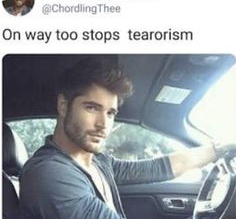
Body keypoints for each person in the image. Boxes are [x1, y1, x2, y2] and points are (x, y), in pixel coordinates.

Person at [19, 58, 235, 219]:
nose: (103, 124)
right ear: (64, 106)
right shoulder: (49, 174)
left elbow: (158, 168)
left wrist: (219, 150)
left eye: (110, 113)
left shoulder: (98, 162)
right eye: (92, 108)